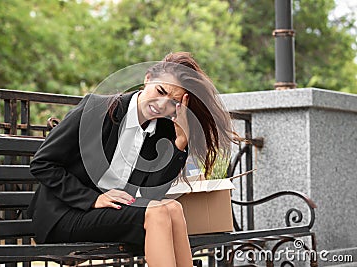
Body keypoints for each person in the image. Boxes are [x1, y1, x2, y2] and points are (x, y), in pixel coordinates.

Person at [28, 52, 234, 267]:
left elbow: (150, 194)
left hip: (110, 214)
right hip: (65, 215)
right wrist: (92, 199)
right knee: (156, 214)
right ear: (147, 78)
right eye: (160, 91)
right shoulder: (98, 109)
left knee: (172, 208)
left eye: (173, 102)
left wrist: (180, 142)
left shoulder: (163, 132)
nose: (162, 105)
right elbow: (42, 163)